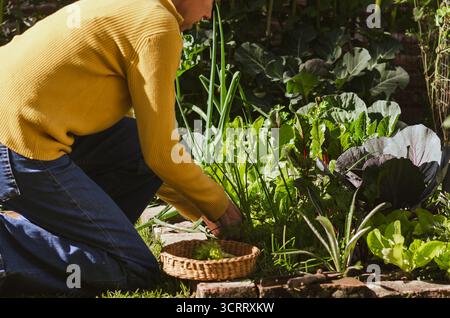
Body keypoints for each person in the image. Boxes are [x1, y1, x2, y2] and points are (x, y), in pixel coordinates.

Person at [0, 0, 243, 296]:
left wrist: (198, 211)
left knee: (131, 143)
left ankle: (72, 236)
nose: (208, 14)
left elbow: (148, 148)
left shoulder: (132, 6)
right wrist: (220, 206)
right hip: (18, 143)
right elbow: (162, 154)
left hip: (22, 131)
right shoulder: (158, 25)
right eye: (210, 2)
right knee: (135, 268)